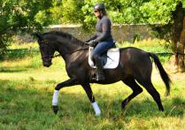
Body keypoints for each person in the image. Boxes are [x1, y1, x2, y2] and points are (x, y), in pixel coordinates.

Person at [86, 3, 115, 81]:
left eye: (95, 11)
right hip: (101, 41)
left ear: (100, 11)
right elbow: (97, 34)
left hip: (107, 42)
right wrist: (88, 40)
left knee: (95, 54)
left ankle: (100, 74)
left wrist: (95, 41)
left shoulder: (105, 20)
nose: (94, 13)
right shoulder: (100, 20)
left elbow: (105, 34)